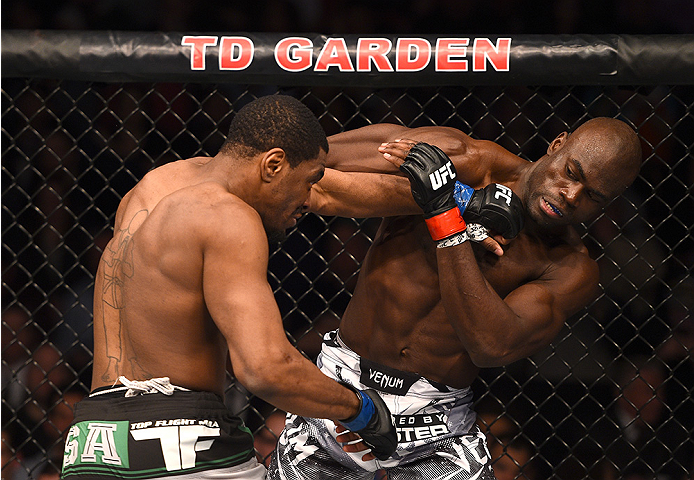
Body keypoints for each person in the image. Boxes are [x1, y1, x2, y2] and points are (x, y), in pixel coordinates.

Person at [269, 117, 643, 479]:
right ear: (557, 144)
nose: (571, 195)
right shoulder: (466, 160)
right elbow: (309, 164)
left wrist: (444, 213)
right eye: (572, 173)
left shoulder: (571, 267)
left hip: (437, 425)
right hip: (341, 387)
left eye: (593, 196)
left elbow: (491, 345)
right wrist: (459, 195)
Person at [60, 95, 398, 479]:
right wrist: (362, 409)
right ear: (272, 164)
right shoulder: (226, 215)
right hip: (181, 445)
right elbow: (266, 369)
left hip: (90, 445)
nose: (308, 201)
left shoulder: (151, 189)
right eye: (307, 182)